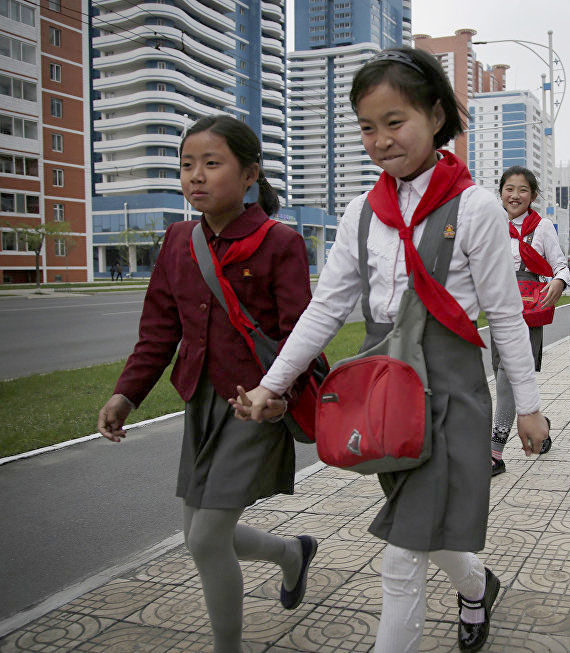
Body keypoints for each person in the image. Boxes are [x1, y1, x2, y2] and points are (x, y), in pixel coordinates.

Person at [230, 47, 549, 653]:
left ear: (434, 115)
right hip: (388, 396)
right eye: (367, 127)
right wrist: (273, 385)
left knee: (402, 555)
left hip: (453, 394)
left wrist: (528, 405)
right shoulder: (360, 214)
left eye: (394, 121)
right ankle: (478, 588)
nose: (379, 139)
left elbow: (505, 316)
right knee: (425, 527)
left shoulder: (477, 207)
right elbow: (326, 309)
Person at [96, 116, 316, 652]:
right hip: (201, 403)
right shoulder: (177, 240)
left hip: (256, 405)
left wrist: (276, 394)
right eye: (187, 165)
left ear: (248, 176)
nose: (196, 176)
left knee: (206, 537)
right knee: (203, 537)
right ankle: (291, 553)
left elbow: (300, 332)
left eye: (211, 164)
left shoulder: (279, 242)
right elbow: (159, 330)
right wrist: (127, 393)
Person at [490, 166, 570, 477]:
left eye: (523, 190)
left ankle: (494, 453)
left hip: (527, 311)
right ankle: (541, 426)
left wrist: (559, 282)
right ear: (501, 193)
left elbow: (561, 266)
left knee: (505, 377)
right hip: (498, 309)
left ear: (533, 196)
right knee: (506, 378)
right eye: (509, 189)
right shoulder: (491, 224)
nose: (515, 195)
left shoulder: (543, 227)